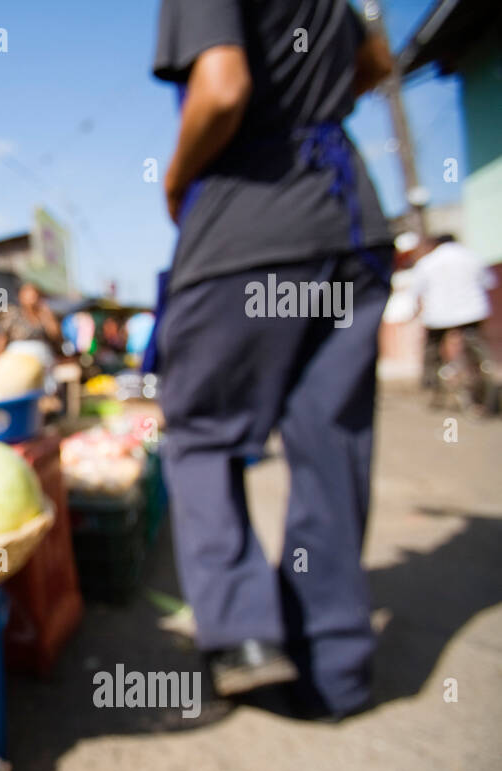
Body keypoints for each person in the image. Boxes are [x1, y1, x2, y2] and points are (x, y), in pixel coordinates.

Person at [152, 0, 395, 718]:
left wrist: (176, 182)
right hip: (348, 227)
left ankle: (245, 639)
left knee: (200, 436)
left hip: (245, 235)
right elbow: (375, 64)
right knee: (330, 444)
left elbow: (222, 87)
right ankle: (336, 672)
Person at [410, 233, 496, 411]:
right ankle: (481, 373)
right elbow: (490, 282)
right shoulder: (473, 257)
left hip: (439, 316)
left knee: (432, 348)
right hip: (472, 312)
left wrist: (415, 311)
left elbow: (416, 291)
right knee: (475, 344)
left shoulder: (428, 262)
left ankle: (432, 385)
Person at [0, 282, 62, 366]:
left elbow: (56, 336)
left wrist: (47, 316)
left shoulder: (44, 314)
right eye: (28, 294)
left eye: (35, 294)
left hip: (42, 359)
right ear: (20, 296)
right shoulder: (12, 314)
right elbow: (1, 339)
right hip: (19, 359)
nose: (32, 297)